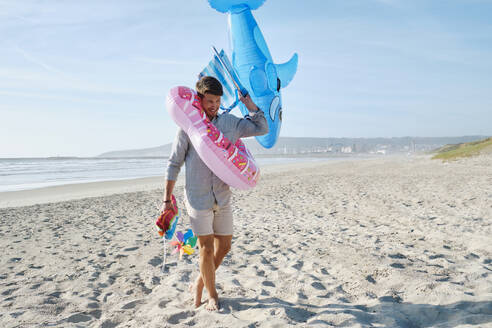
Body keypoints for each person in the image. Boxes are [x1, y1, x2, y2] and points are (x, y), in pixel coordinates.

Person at [162, 76, 268, 311]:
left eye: (218, 101)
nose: (214, 106)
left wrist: (249, 104)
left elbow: (262, 127)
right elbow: (173, 164)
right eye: (210, 101)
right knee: (206, 248)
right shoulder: (188, 128)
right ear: (199, 99)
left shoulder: (230, 123)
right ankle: (211, 294)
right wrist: (166, 200)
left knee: (225, 246)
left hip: (222, 196)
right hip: (198, 197)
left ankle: (200, 280)